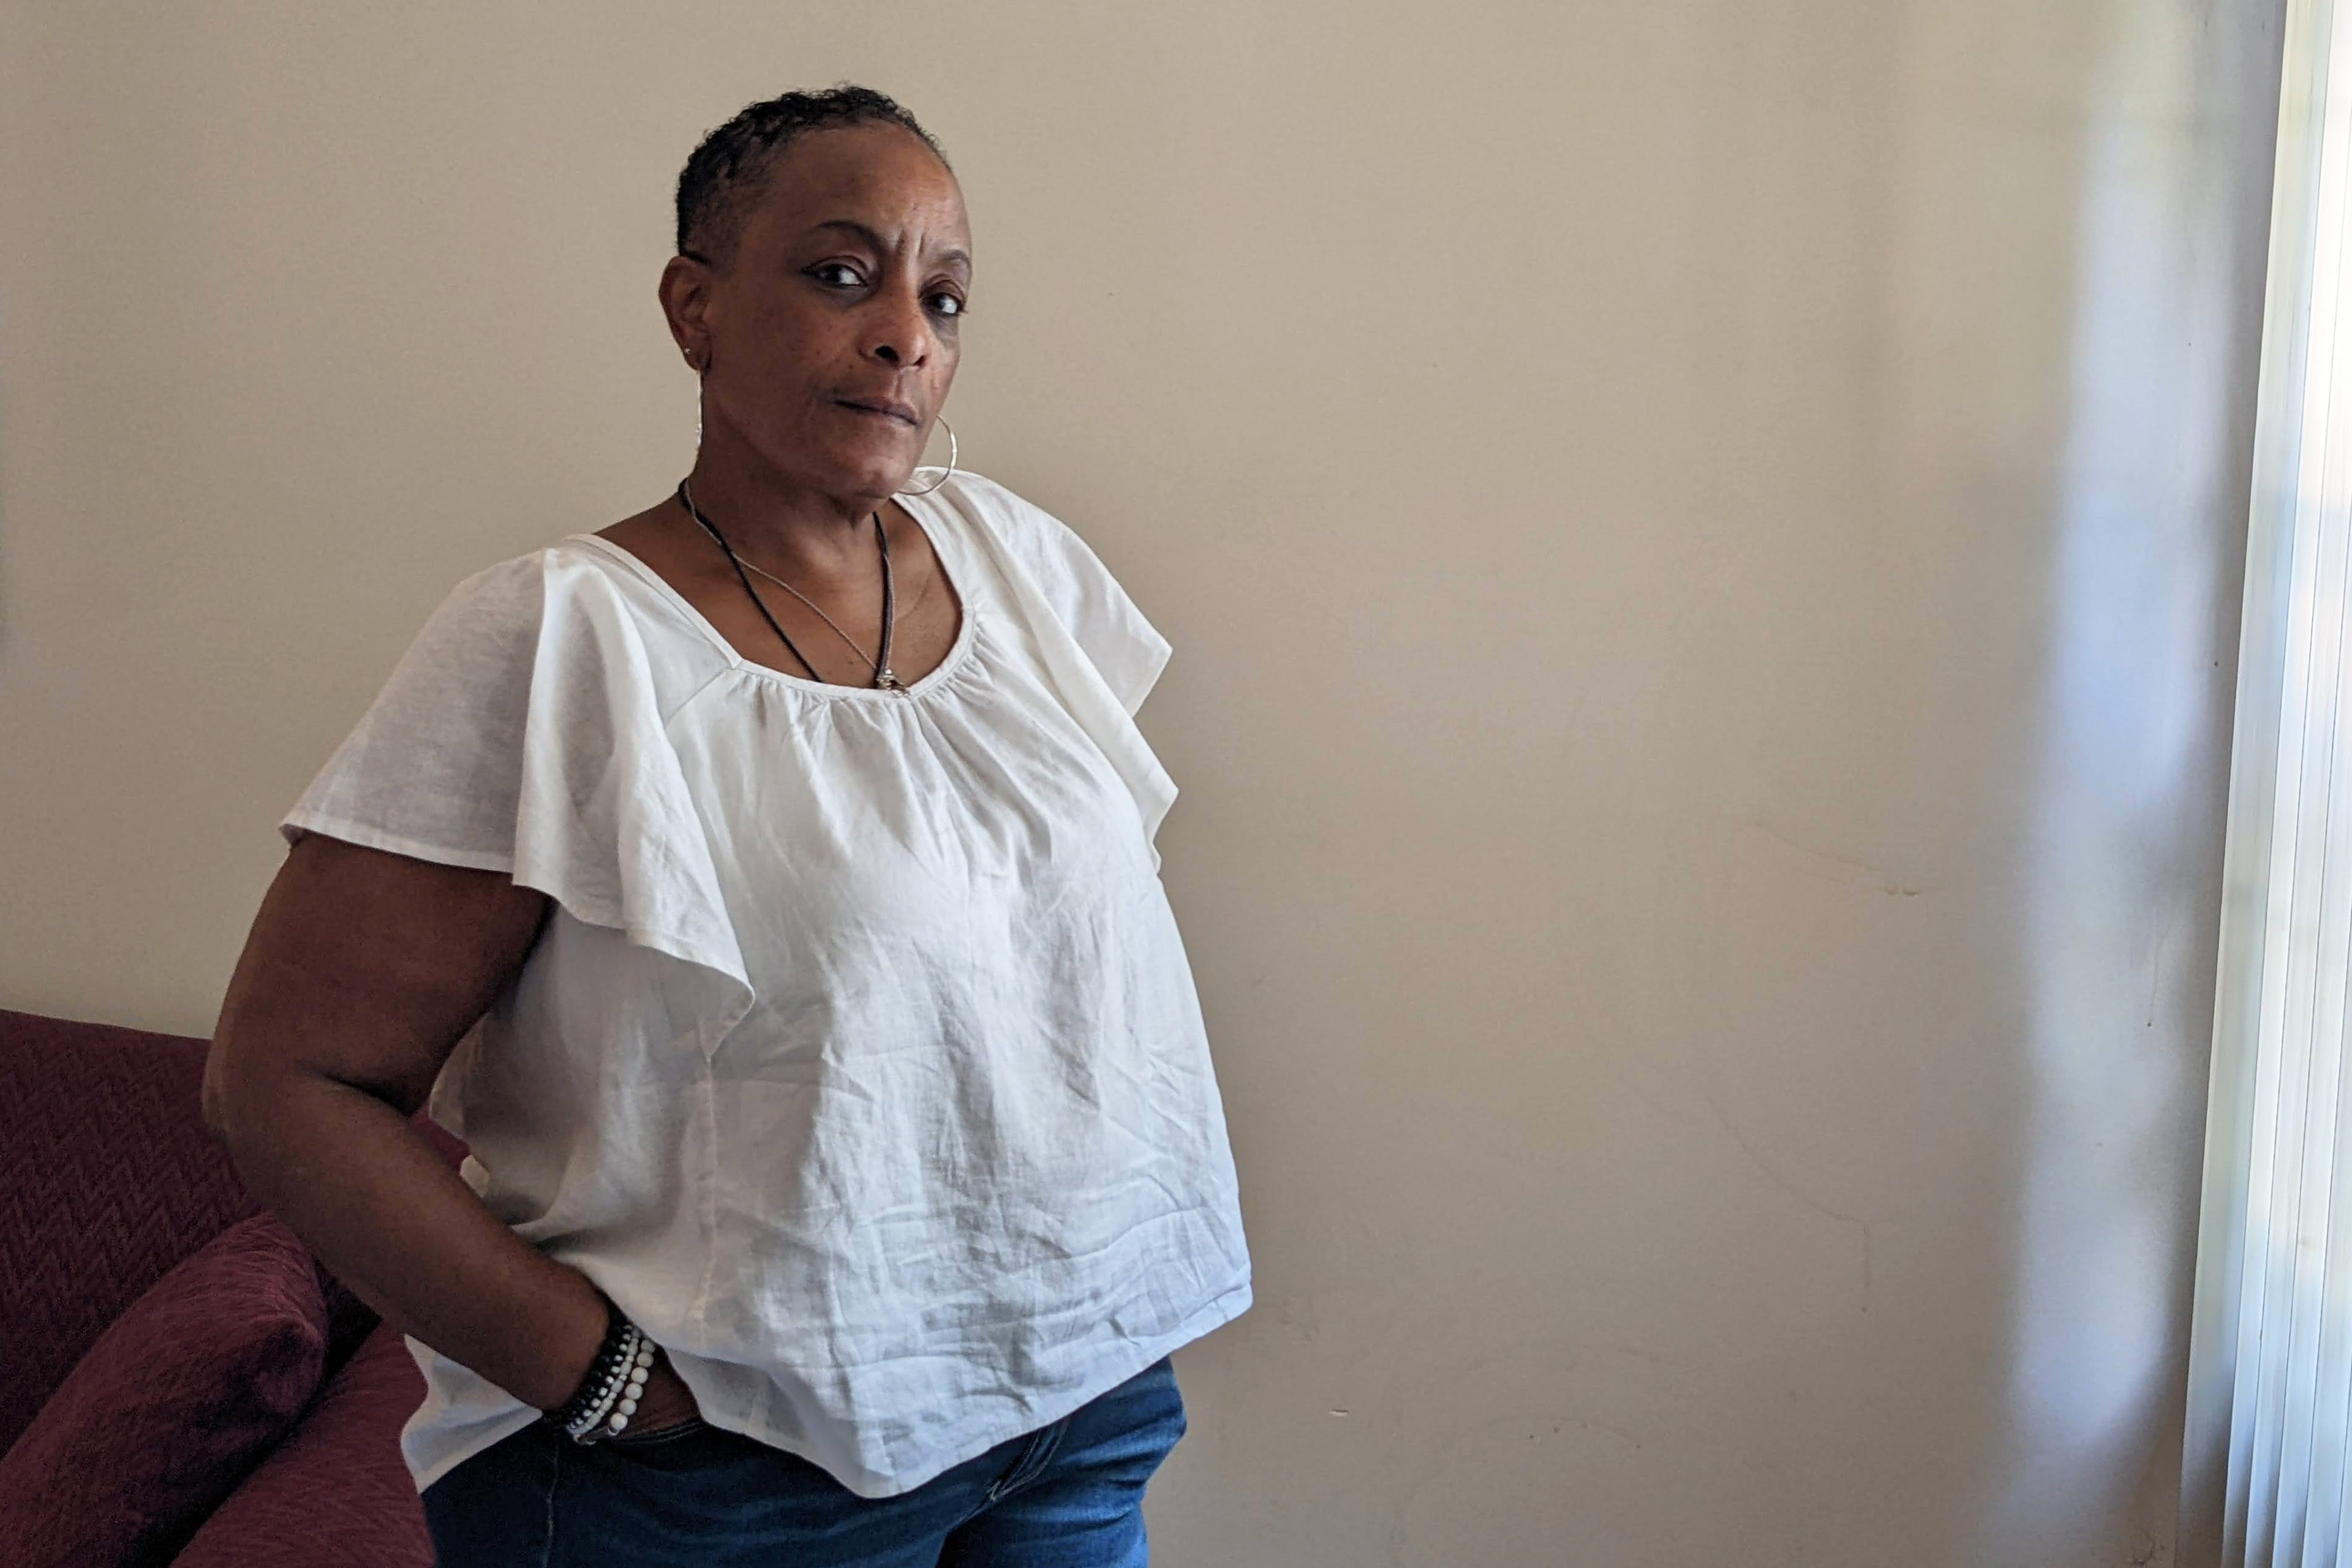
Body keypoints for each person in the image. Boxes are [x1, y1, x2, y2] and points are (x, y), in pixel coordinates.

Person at [200, 85, 1251, 1567]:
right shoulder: (565, 638)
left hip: (1075, 1418)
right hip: (734, 1490)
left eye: (942, 296)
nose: (905, 332)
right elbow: (283, 1081)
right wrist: (609, 1379)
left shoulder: (1021, 564)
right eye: (841, 274)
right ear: (695, 308)